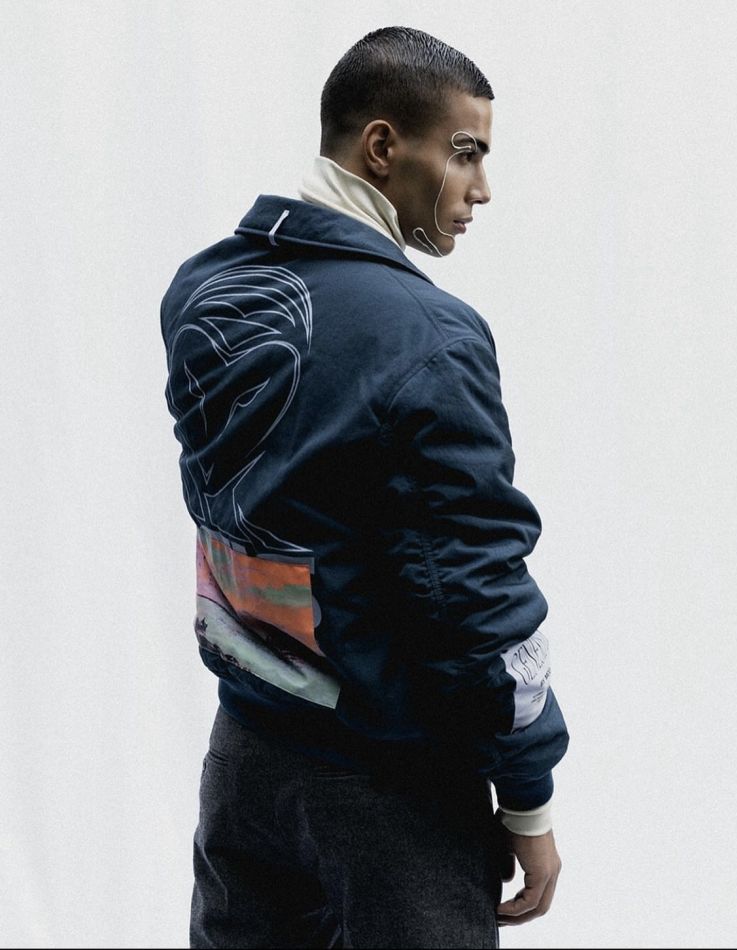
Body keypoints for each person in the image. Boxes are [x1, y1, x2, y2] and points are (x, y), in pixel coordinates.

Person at [160, 25, 569, 949]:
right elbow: (477, 596)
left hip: (245, 761)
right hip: (392, 796)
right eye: (465, 152)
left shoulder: (203, 289)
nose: (481, 188)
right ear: (383, 146)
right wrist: (530, 795)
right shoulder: (426, 335)